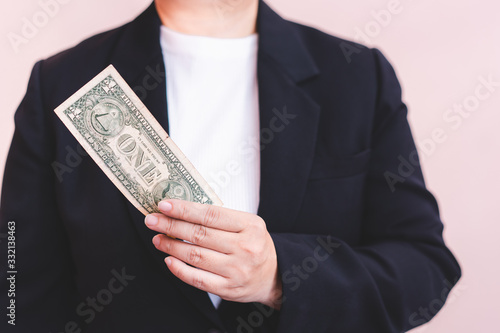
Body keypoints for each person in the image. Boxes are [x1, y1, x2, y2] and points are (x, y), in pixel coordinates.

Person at [0, 0, 461, 332]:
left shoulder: (358, 76)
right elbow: (17, 287)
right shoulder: (63, 83)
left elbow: (425, 267)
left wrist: (282, 276)